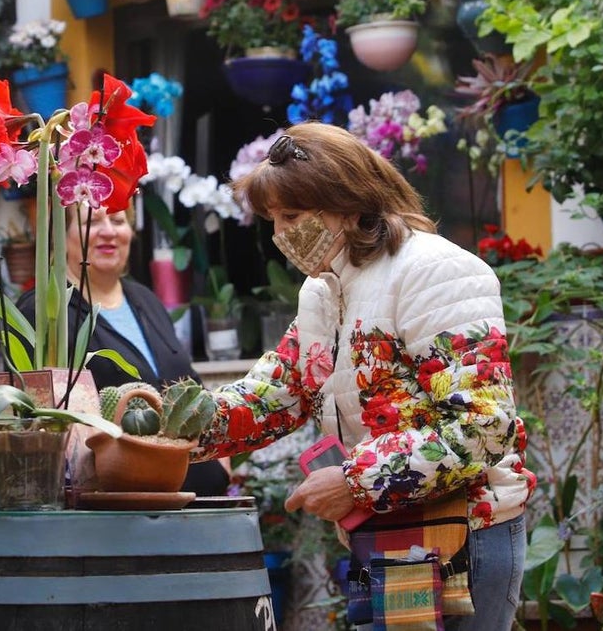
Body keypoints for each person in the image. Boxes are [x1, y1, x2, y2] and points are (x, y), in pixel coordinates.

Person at [193, 123, 535, 630]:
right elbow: (275, 394)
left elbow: (482, 427)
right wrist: (165, 424)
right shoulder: (324, 289)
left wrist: (357, 483)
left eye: (292, 215)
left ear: (348, 202)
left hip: (465, 535)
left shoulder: (434, 271)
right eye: (272, 219)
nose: (280, 234)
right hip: (391, 535)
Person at [16, 204, 231, 497]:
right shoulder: (45, 312)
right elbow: (41, 415)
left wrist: (222, 459)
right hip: (120, 507)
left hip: (197, 497)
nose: (108, 231)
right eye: (91, 222)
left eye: (118, 220)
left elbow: (189, 383)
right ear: (61, 236)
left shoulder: (145, 298)